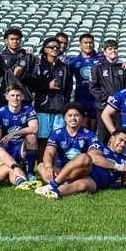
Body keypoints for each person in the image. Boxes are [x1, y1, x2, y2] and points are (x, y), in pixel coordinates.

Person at [35, 127, 126, 199]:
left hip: (95, 180)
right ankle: (54, 184)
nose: (123, 144)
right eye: (121, 140)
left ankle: (53, 192)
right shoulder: (99, 146)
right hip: (85, 170)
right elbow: (95, 158)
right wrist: (118, 167)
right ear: (113, 138)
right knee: (84, 158)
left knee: (82, 186)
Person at [28, 38, 73, 179]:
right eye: (52, 47)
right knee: (42, 140)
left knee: (57, 141)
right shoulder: (38, 65)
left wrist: (65, 102)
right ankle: (42, 168)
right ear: (45, 49)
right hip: (43, 109)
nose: (55, 49)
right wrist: (47, 86)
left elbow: (69, 87)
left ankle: (54, 167)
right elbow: (32, 85)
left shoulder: (64, 67)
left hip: (59, 110)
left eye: (57, 47)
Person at [37, 102, 100, 184]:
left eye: (76, 115)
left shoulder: (89, 134)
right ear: (65, 118)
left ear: (81, 118)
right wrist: (49, 167)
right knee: (41, 166)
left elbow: (94, 155)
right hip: (60, 170)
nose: (73, 118)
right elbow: (48, 152)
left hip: (78, 171)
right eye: (69, 115)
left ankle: (56, 184)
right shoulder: (57, 133)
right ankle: (60, 182)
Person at [0, 84, 39, 180]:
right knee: (3, 177)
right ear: (7, 96)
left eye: (18, 95)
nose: (15, 98)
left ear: (22, 96)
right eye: (12, 95)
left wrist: (13, 133)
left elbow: (34, 128)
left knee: (32, 137)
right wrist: (2, 156)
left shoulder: (28, 109)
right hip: (7, 147)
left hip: (22, 147)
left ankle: (30, 173)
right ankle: (18, 164)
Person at [90, 39, 126, 143]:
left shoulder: (124, 66)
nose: (113, 51)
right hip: (104, 108)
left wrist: (121, 100)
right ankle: (100, 159)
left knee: (121, 138)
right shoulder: (97, 67)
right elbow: (93, 88)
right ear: (104, 52)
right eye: (110, 49)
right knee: (102, 138)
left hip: (120, 109)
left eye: (115, 48)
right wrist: (106, 97)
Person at [69, 33, 106, 131]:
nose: (88, 45)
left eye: (91, 43)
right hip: (81, 98)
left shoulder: (101, 59)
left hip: (97, 98)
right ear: (80, 45)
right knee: (84, 129)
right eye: (85, 43)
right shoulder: (73, 61)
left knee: (93, 129)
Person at [0, 28, 35, 106]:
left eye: (17, 39)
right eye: (12, 39)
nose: (15, 41)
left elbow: (35, 79)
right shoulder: (0, 57)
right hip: (6, 98)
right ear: (6, 40)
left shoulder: (28, 56)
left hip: (24, 97)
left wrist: (22, 74)